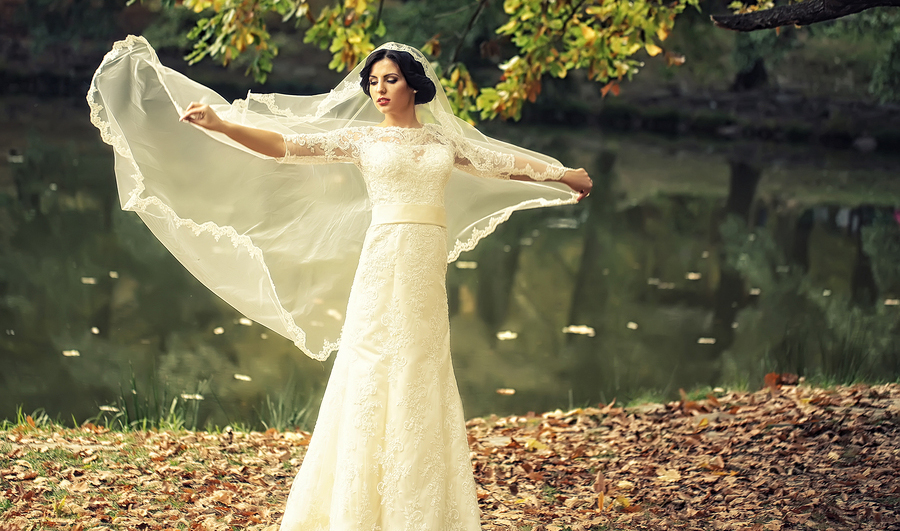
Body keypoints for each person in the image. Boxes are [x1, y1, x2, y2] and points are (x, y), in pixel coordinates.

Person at [89, 37, 591, 530]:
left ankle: (423, 507)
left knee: (423, 362)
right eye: (373, 82)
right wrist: (222, 125)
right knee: (371, 360)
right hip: (384, 254)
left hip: (425, 262)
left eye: (390, 80)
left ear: (413, 85)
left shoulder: (443, 140)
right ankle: (355, 506)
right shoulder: (362, 139)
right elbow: (285, 147)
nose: (380, 90)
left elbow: (500, 163)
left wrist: (562, 173)